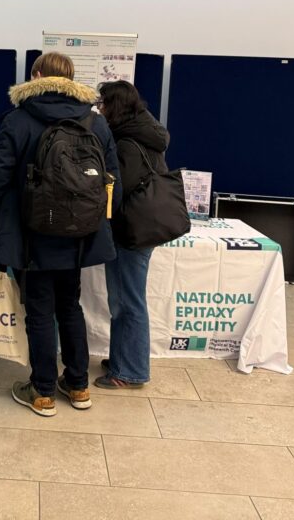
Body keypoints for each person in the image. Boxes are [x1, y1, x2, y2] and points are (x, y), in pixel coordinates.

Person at [0, 52, 120, 417]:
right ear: (71, 78)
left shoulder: (18, 120)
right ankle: (78, 385)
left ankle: (42, 391)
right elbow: (112, 184)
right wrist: (95, 221)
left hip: (31, 233)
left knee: (40, 310)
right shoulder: (95, 122)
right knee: (70, 306)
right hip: (79, 235)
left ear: (37, 75)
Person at [96, 80, 170, 389]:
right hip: (142, 228)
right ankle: (122, 358)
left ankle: (129, 371)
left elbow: (116, 191)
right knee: (124, 298)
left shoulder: (126, 143)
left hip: (131, 231)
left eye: (102, 104)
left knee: (127, 301)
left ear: (114, 106)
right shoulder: (145, 133)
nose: (99, 109)